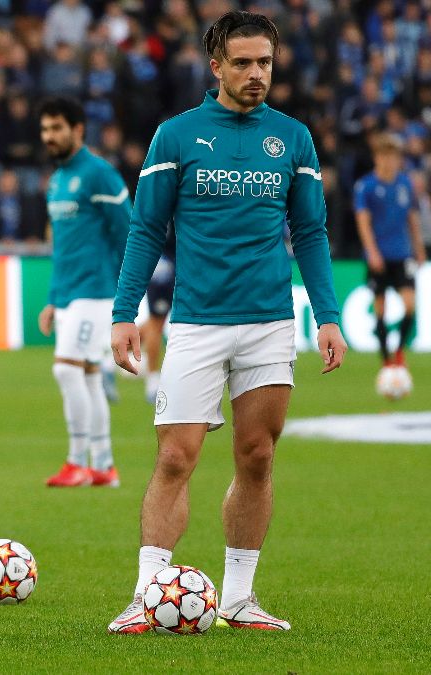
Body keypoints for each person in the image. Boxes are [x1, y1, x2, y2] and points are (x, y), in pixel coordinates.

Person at [106, 11, 346, 634]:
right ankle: (145, 595)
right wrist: (124, 314)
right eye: (241, 63)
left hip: (268, 321)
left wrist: (328, 316)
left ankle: (238, 597)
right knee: (176, 458)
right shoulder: (177, 136)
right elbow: (145, 229)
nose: (255, 74)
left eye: (264, 62)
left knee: (257, 457)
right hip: (196, 323)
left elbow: (312, 232)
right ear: (215, 66)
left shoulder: (292, 139)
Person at [37, 97, 131, 489]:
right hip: (70, 294)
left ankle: (77, 460)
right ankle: (104, 466)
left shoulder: (99, 175)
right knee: (89, 378)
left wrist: (125, 294)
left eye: (57, 128)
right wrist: (53, 299)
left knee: (65, 369)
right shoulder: (57, 180)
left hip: (97, 292)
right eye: (45, 129)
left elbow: (130, 232)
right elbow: (64, 247)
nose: (49, 136)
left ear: (78, 130)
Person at [353, 132, 425, 368]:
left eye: (394, 156)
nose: (389, 161)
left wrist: (418, 248)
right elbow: (363, 222)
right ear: (377, 158)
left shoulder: (405, 184)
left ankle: (399, 351)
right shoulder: (366, 186)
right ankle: (386, 360)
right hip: (379, 256)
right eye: (385, 156)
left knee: (410, 306)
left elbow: (412, 219)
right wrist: (372, 252)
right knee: (380, 309)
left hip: (402, 253)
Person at [140, 225, 176, 404]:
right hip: (167, 262)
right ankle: (153, 381)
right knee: (156, 322)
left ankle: (108, 358)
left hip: (182, 261)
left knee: (155, 322)